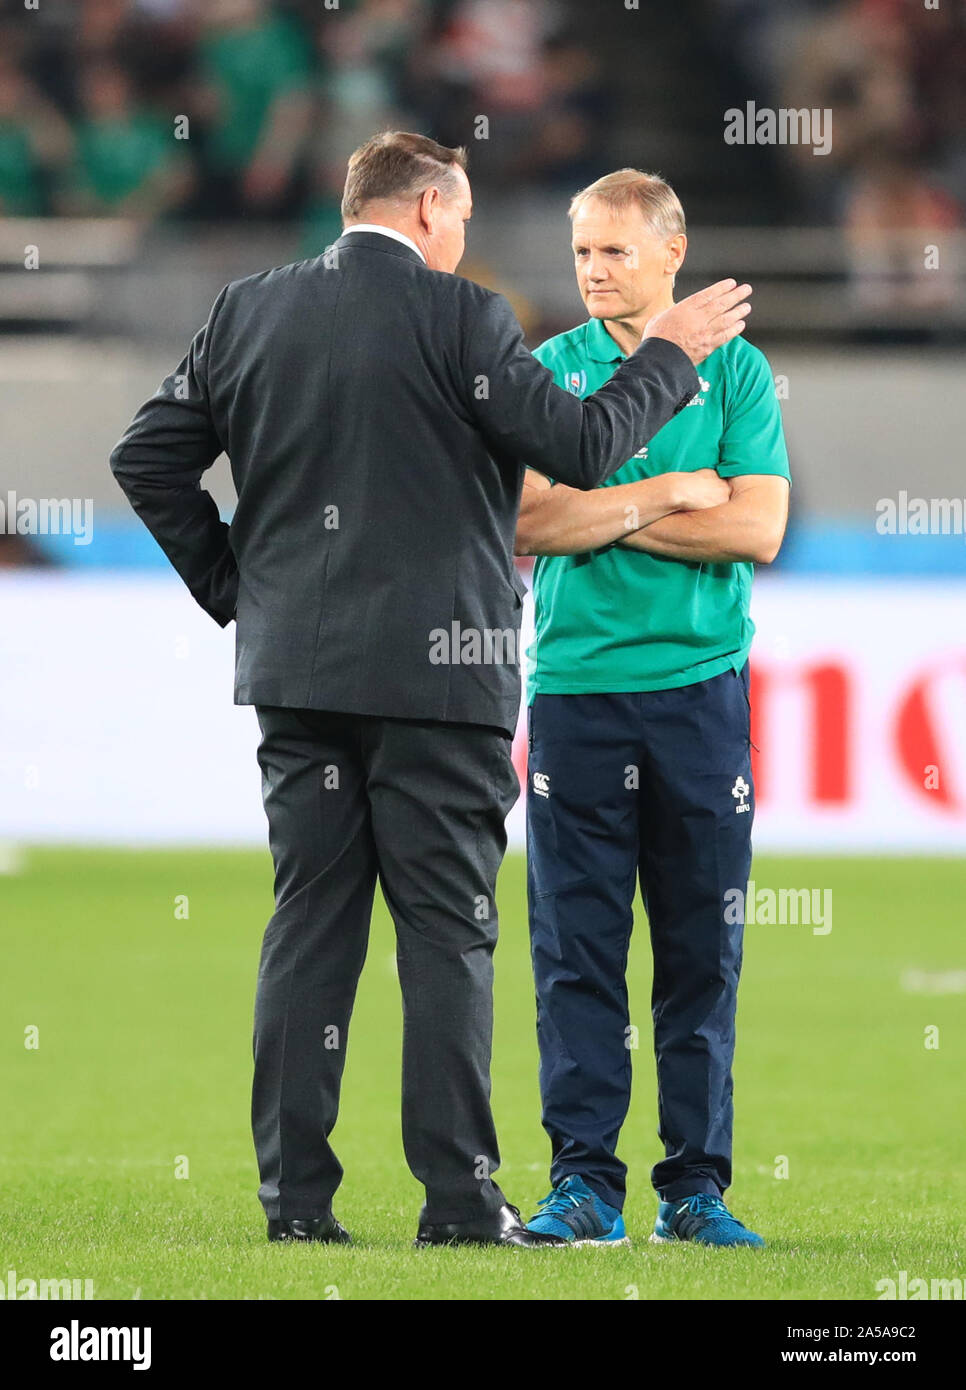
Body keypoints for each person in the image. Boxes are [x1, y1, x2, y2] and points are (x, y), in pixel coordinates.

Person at [109, 132, 751, 1248]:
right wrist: (674, 353)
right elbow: (591, 444)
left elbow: (146, 460)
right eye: (457, 222)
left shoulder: (247, 309)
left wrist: (244, 591)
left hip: (297, 677)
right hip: (439, 681)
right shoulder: (464, 321)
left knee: (308, 931)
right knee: (447, 937)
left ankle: (296, 1206)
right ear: (425, 211)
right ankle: (458, 1201)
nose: (462, 241)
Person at [517, 168, 789, 1248]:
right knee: (575, 951)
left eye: (614, 252)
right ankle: (584, 1184)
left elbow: (758, 531)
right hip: (578, 693)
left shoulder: (740, 372)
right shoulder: (548, 367)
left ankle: (693, 1188)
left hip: (698, 696)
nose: (592, 270)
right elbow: (530, 524)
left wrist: (607, 511)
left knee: (697, 951)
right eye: (583, 250)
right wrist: (675, 493)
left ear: (672, 254)